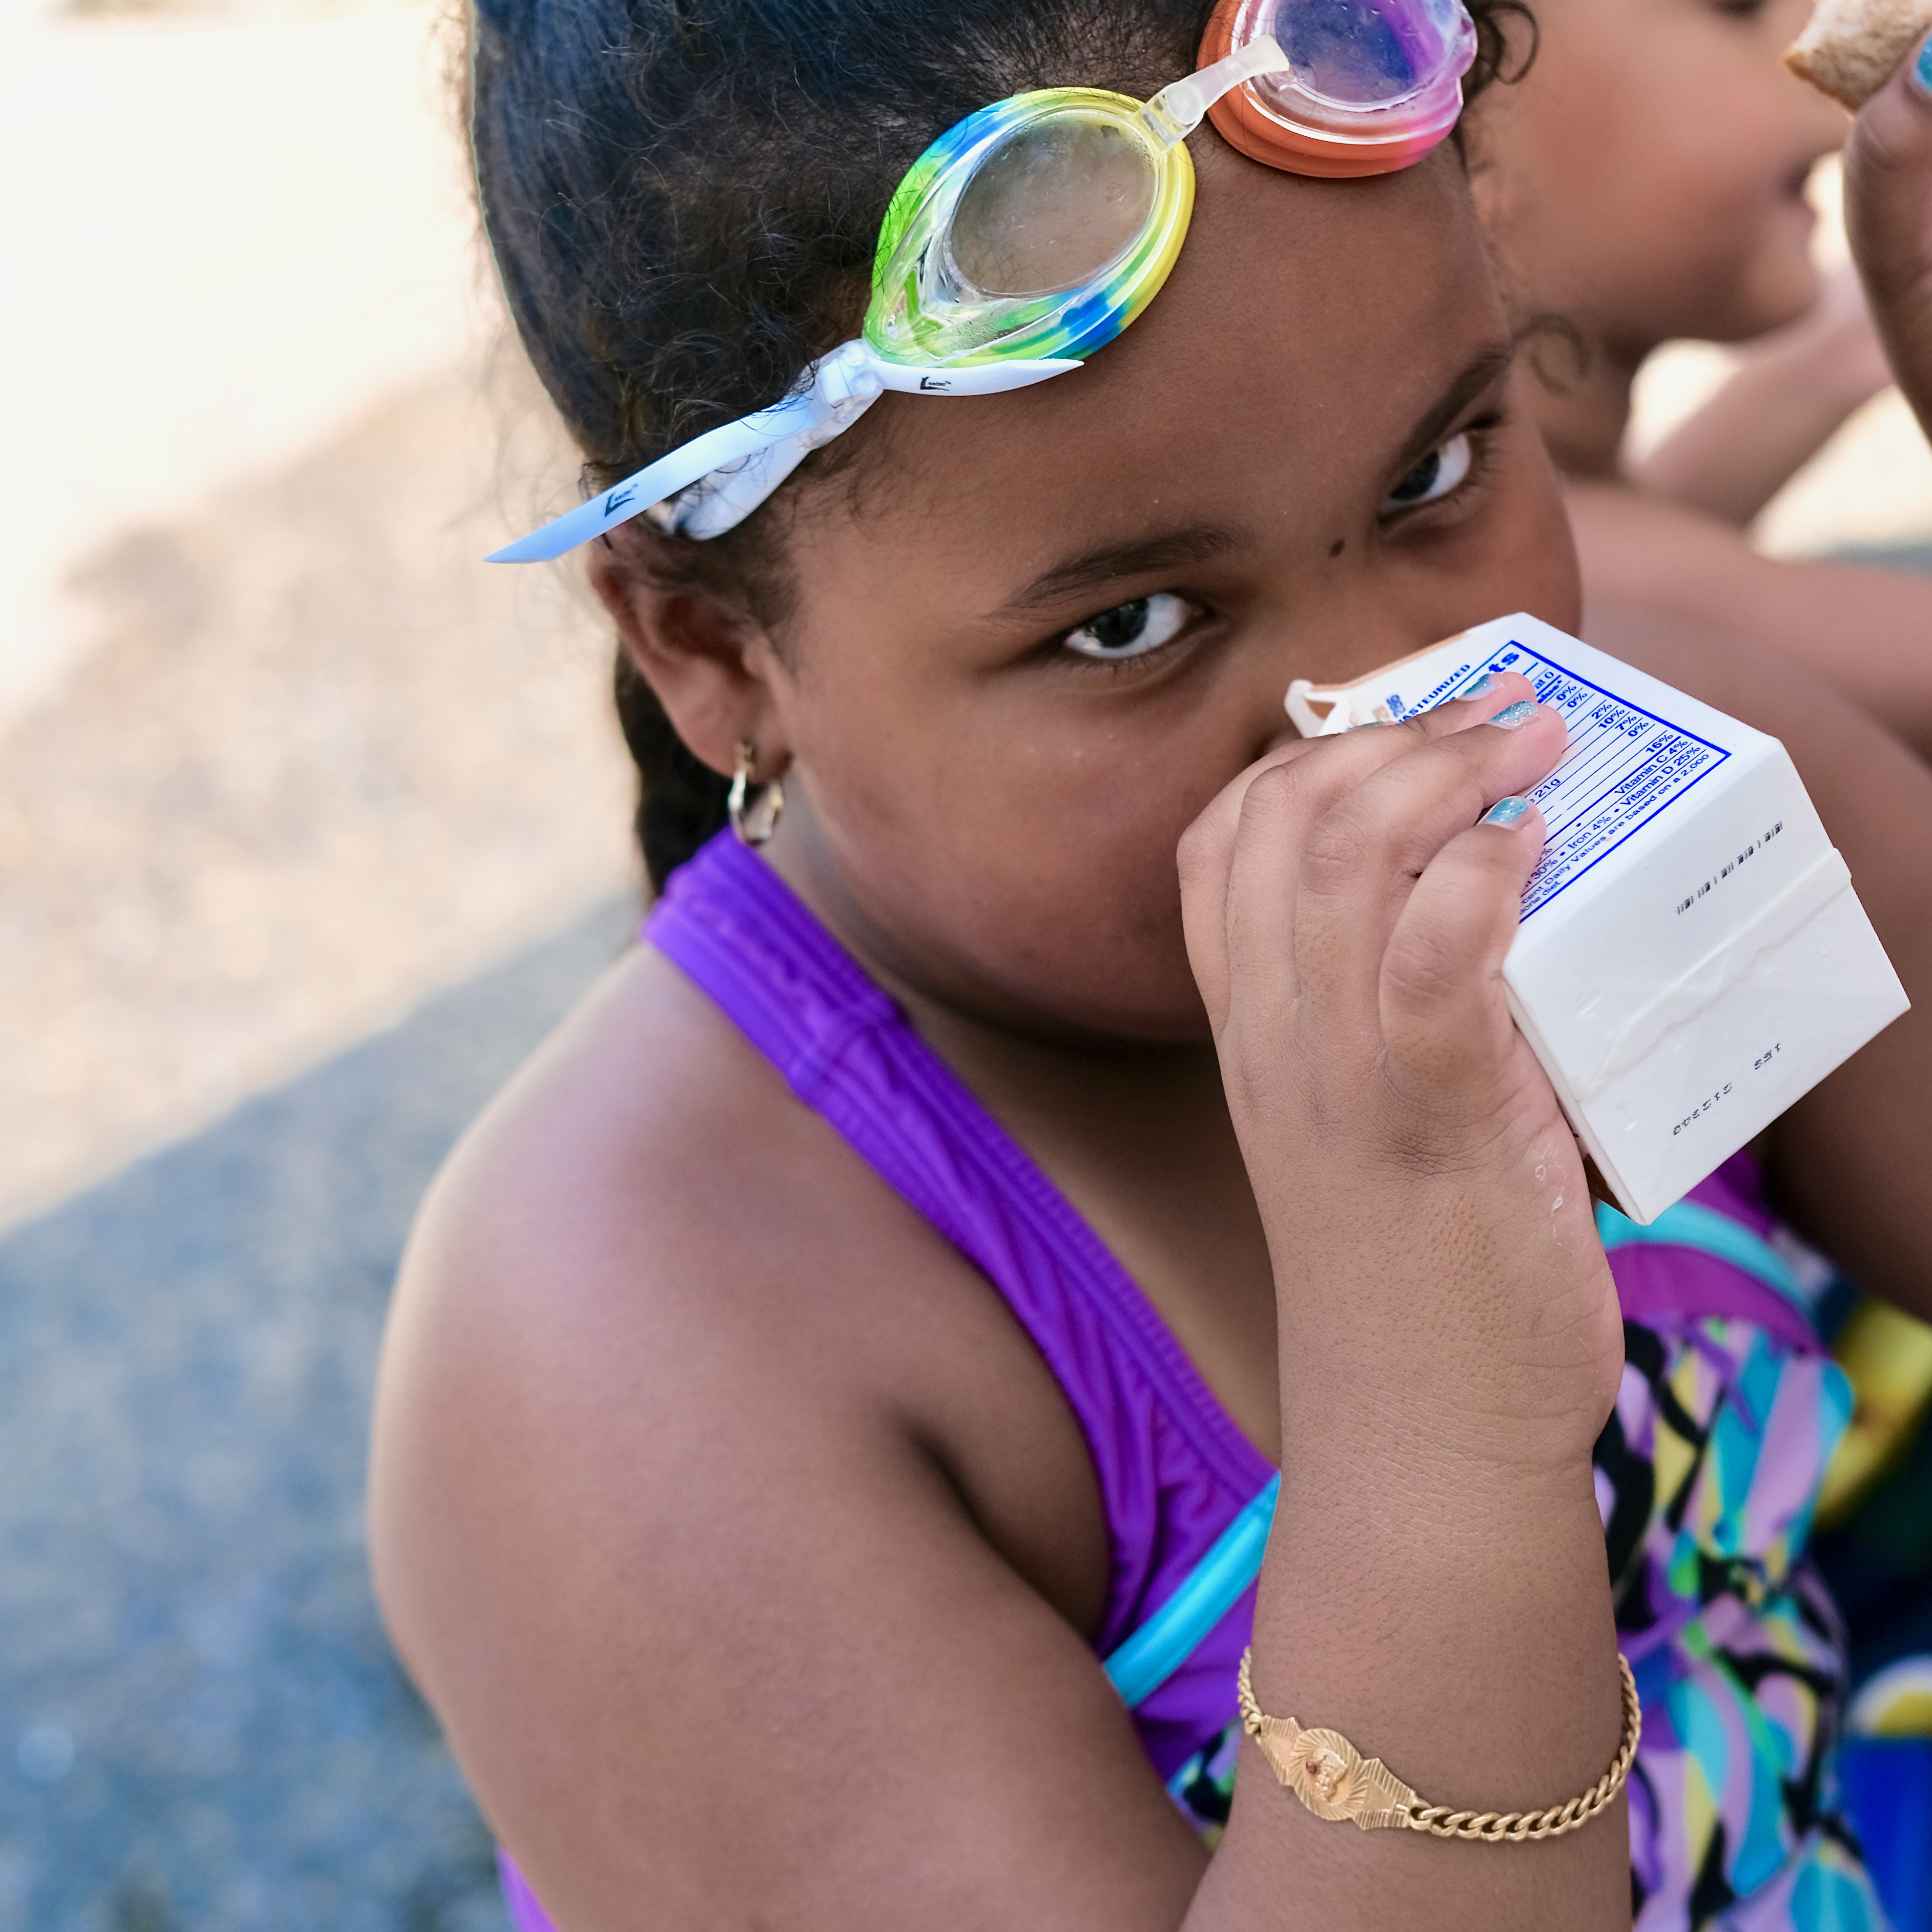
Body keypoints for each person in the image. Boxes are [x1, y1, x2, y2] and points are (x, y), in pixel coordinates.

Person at [366, 1, 1932, 1926]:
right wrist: (1435, 1385)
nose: (1376, 724)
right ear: (714, 651)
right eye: (1140, 624)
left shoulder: (1622, 774)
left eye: (1438, 474)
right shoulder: (624, 1344)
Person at [1470, 0, 1932, 759]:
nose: (1815, 23)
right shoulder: (1598, 587)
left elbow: (1642, 512)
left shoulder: (1566, 510)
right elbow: (1674, 582)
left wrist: (1831, 361)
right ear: (1454, 137)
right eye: (1737, 8)